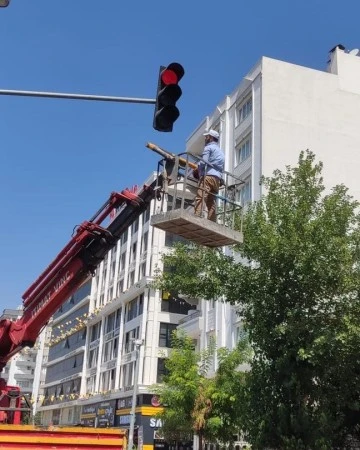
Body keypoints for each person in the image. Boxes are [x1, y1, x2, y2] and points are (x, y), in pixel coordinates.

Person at [194, 129, 225, 222]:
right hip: (217, 179)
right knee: (211, 201)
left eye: (207, 136)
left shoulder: (208, 148)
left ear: (211, 138)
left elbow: (204, 162)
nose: (205, 138)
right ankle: (212, 220)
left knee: (201, 196)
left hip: (208, 176)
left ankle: (197, 216)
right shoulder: (221, 152)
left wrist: (198, 170)